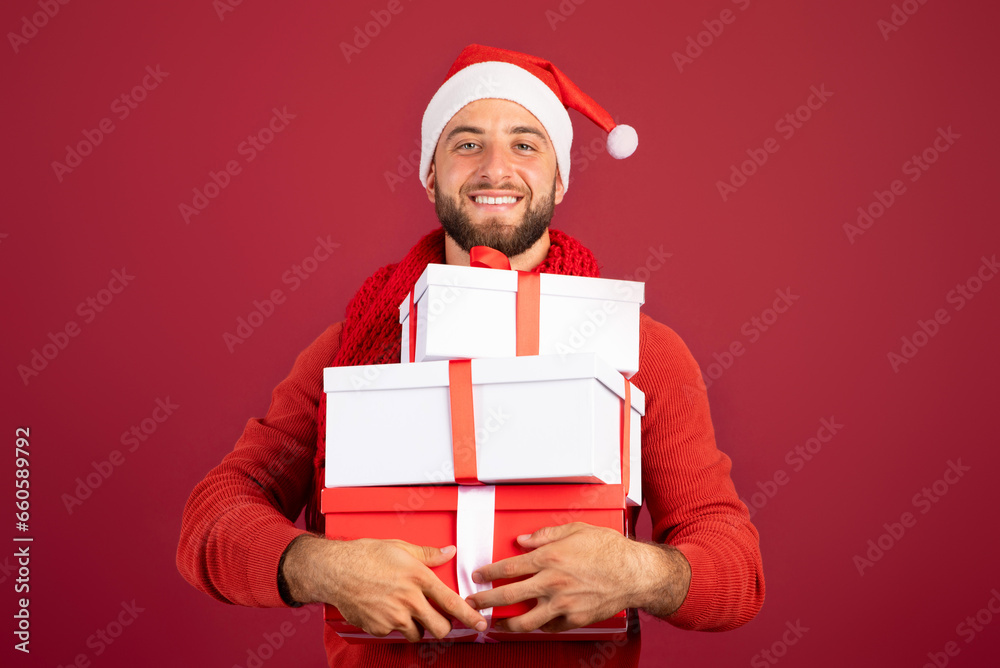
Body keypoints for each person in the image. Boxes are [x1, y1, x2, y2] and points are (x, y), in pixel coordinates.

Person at [176, 44, 765, 667]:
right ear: (431, 174)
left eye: (525, 144)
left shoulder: (640, 351)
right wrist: (322, 566)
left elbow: (738, 568)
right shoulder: (348, 351)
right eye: (467, 143)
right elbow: (210, 522)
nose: (495, 169)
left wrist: (640, 573)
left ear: (560, 178)